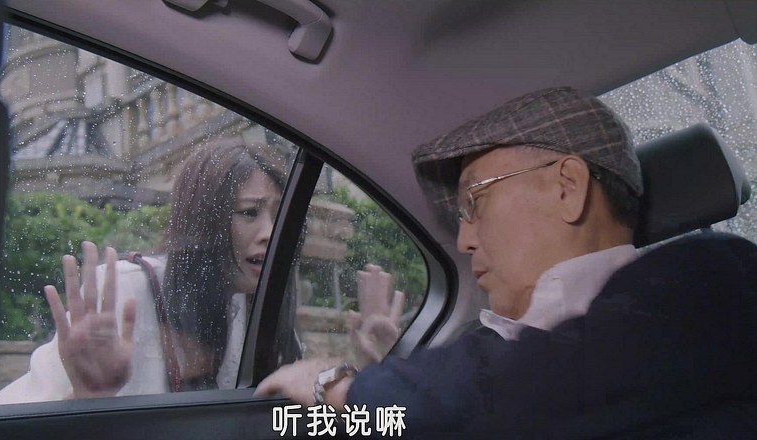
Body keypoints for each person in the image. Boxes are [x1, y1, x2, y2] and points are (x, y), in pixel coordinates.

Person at [254, 87, 757, 437]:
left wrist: (339, 387)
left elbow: (530, 387)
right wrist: (350, 392)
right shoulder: (482, 345)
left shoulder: (714, 279)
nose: (464, 240)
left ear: (568, 187)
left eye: (474, 203)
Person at [0, 142, 404, 404]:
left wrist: (377, 371)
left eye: (281, 216)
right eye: (249, 213)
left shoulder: (263, 309)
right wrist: (86, 395)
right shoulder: (129, 291)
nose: (270, 233)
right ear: (204, 220)